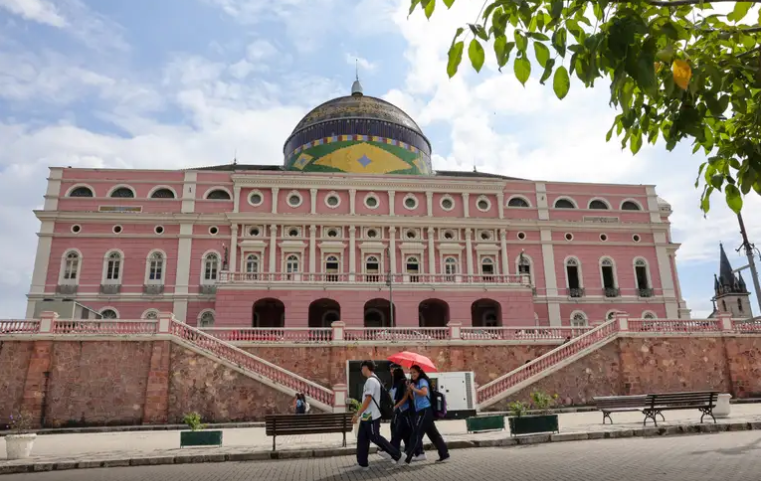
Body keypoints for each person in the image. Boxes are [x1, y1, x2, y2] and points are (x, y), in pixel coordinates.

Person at [353, 360, 402, 470]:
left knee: (375, 437)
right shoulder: (375, 379)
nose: (361, 370)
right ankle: (362, 464)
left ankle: (397, 454)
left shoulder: (371, 381)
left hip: (372, 415)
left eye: (362, 368)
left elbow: (368, 399)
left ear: (366, 368)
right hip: (367, 416)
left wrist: (357, 413)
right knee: (362, 438)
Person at [404, 364, 450, 464]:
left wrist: (414, 389)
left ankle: (408, 457)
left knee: (416, 433)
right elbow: (414, 399)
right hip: (421, 411)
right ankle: (444, 454)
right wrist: (410, 390)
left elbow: (424, 393)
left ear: (419, 372)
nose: (412, 374)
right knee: (433, 435)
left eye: (414, 372)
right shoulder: (415, 383)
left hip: (425, 411)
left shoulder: (422, 381)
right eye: (411, 373)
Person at [388, 367, 425, 461]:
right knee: (406, 433)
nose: (392, 374)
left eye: (393, 373)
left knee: (410, 432)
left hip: (408, 411)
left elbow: (406, 398)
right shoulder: (396, 384)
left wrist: (396, 406)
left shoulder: (404, 382)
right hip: (401, 411)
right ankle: (408, 451)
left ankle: (418, 452)